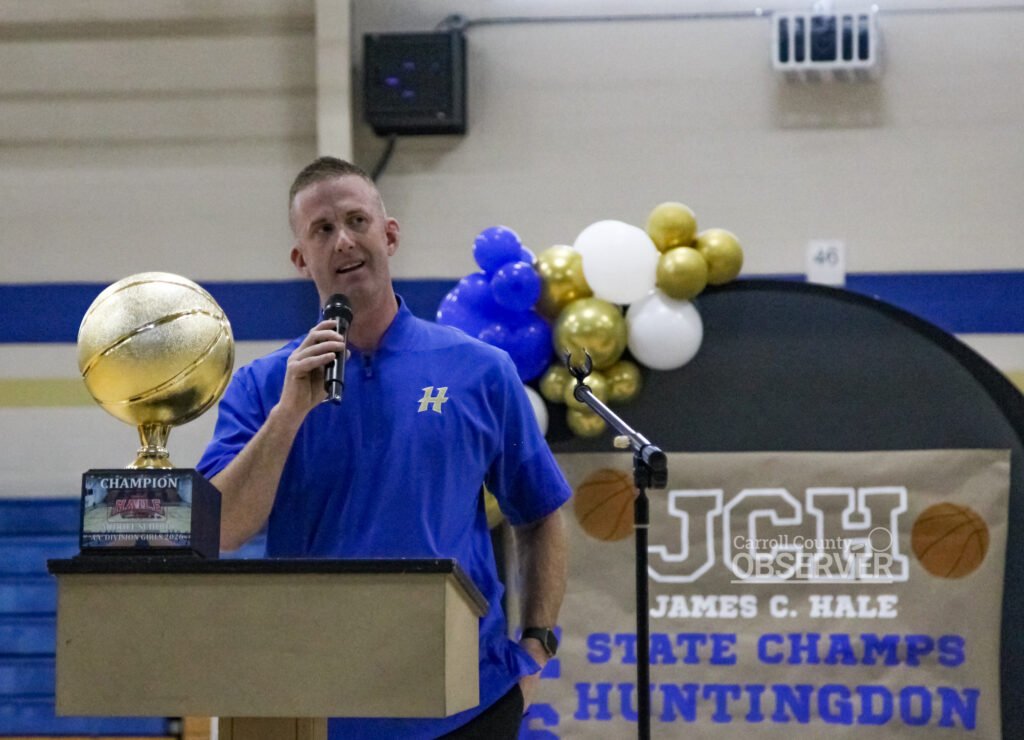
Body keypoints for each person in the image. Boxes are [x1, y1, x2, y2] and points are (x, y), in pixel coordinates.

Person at [196, 156, 570, 739]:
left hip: (467, 704)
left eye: (356, 221)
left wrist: (537, 644)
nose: (343, 240)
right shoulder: (263, 385)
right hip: (316, 706)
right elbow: (219, 529)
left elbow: (541, 512)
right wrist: (290, 413)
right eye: (322, 230)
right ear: (301, 259)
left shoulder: (479, 370)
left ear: (389, 234)